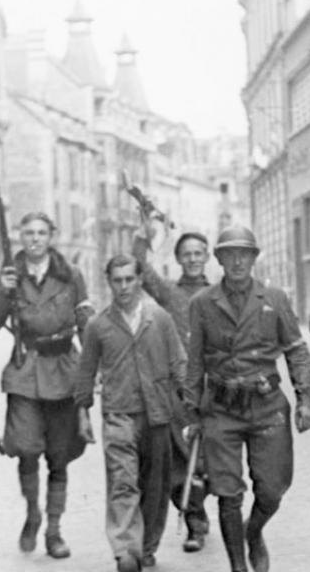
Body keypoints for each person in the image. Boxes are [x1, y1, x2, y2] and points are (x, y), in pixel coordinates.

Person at [185, 225, 310, 572]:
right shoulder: (202, 304)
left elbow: (297, 351)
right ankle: (238, 567)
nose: (238, 261)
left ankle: (253, 532)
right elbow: (194, 361)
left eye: (245, 253)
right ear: (220, 259)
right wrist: (191, 414)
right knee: (228, 494)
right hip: (221, 408)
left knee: (272, 490)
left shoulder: (274, 299)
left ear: (254, 258)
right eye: (230, 254)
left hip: (266, 406)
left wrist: (305, 398)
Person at [0, 211, 94, 559]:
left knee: (59, 455)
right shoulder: (9, 275)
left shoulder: (71, 275)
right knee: (26, 449)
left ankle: (54, 531)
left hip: (64, 370)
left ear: (51, 236)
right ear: (19, 236)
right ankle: (32, 512)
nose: (34, 239)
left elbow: (85, 319)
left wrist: (96, 360)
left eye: (41, 233)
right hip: (26, 372)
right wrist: (3, 293)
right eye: (28, 232)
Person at [74, 255, 187, 572]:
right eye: (117, 280)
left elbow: (179, 365)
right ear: (109, 282)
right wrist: (83, 412)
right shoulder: (98, 326)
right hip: (119, 415)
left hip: (158, 414)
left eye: (129, 279)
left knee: (155, 485)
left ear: (139, 280)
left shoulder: (160, 318)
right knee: (123, 482)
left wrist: (192, 407)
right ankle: (125, 550)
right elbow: (85, 373)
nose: (123, 286)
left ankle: (147, 546)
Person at [131, 220, 213, 553]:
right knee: (182, 456)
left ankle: (203, 504)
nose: (193, 259)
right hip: (181, 389)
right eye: (187, 254)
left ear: (207, 257)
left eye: (198, 253)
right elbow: (141, 269)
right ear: (179, 259)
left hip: (219, 389)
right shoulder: (170, 293)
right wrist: (143, 233)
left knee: (212, 460)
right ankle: (194, 519)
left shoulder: (220, 294)